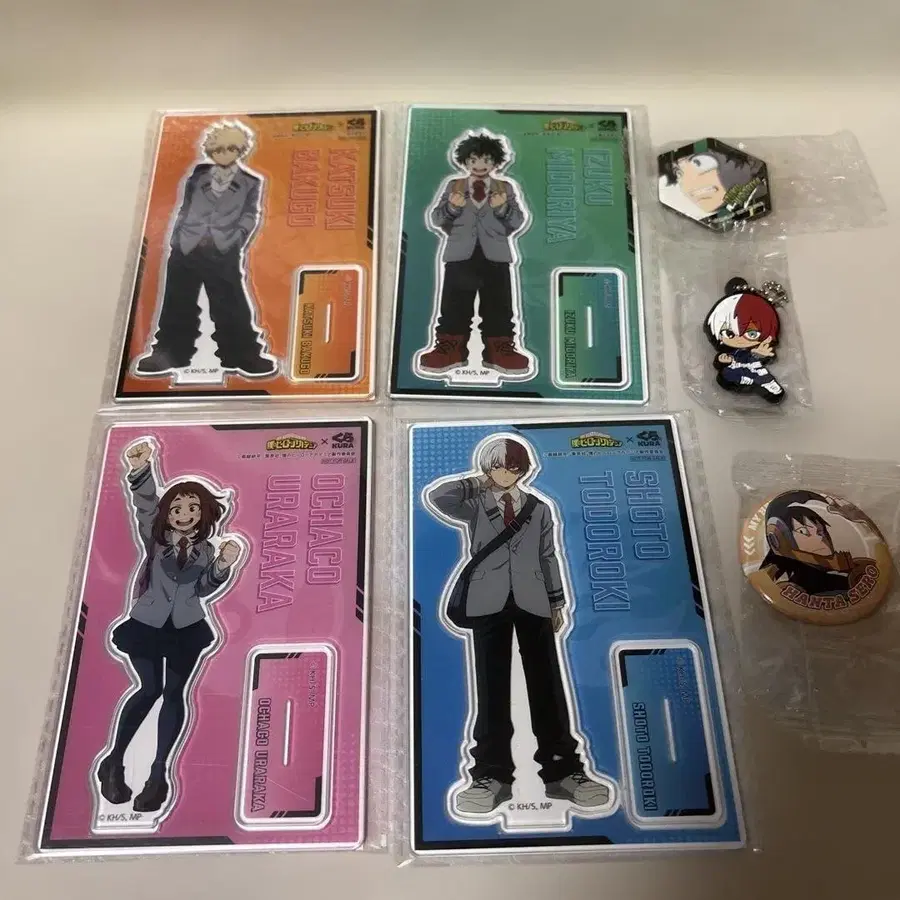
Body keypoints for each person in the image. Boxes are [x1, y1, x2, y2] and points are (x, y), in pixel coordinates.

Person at [426, 437, 609, 815]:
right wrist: (479, 481)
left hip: (533, 599)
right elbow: (439, 497)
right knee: (491, 688)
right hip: (487, 600)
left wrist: (556, 602)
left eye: (512, 467)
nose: (505, 473)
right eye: (497, 466)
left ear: (523, 470)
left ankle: (563, 771)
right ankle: (490, 776)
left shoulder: (539, 508)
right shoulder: (475, 503)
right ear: (487, 468)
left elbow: (548, 555)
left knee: (547, 685)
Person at [96, 440, 242, 813]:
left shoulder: (205, 550)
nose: (184, 514)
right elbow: (146, 506)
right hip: (147, 626)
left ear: (204, 513)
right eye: (177, 508)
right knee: (150, 689)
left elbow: (205, 587)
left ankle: (158, 775)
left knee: (175, 694)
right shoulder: (156, 539)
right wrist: (141, 470)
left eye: (193, 508)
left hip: (186, 629)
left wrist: (223, 566)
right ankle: (114, 761)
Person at [136, 120, 275, 377]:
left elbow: (250, 214)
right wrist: (177, 238)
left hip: (223, 249)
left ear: (241, 150)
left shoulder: (250, 181)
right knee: (176, 301)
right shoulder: (198, 174)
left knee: (231, 302)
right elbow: (185, 207)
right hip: (187, 247)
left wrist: (237, 239)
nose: (225, 154)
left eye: (232, 149)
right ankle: (169, 352)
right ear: (211, 150)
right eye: (219, 149)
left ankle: (242, 354)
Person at [417, 132, 531, 377]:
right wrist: (452, 207)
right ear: (464, 161)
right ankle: (450, 348)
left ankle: (499, 349)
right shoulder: (453, 186)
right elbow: (436, 219)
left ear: (496, 162)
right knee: (454, 304)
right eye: (474, 160)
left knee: (499, 304)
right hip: (460, 256)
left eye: (486, 160)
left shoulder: (505, 187)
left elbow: (518, 221)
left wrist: (502, 208)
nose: (480, 165)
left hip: (495, 256)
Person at [761, 491, 874, 596]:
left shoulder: (850, 577)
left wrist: (865, 523)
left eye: (820, 530)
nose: (820, 536)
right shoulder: (792, 587)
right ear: (781, 539)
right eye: (803, 531)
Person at [705, 279, 785, 402]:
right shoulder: (730, 351)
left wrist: (761, 355)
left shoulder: (754, 350)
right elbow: (720, 363)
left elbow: (764, 356)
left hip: (753, 367)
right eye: (729, 333)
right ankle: (748, 380)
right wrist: (722, 360)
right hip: (735, 368)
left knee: (759, 372)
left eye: (751, 334)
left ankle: (766, 383)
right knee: (728, 373)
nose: (739, 339)